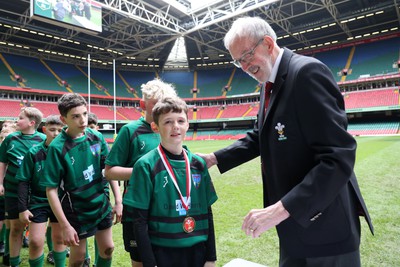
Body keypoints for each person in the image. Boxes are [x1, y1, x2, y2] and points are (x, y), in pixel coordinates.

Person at [200, 16, 374, 267]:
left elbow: (338, 157)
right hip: (295, 225)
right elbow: (261, 135)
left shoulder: (306, 73)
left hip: (325, 228)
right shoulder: (268, 81)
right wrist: (214, 158)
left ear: (268, 44)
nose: (245, 66)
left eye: (247, 56)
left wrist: (279, 209)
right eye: (238, 62)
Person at [124, 96, 217, 267]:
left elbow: (208, 212)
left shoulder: (198, 164)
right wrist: (150, 263)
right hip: (162, 251)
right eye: (168, 122)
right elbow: (139, 221)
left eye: (181, 120)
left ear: (188, 124)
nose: (175, 126)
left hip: (198, 249)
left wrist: (211, 257)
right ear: (155, 127)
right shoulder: (145, 165)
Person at [104, 78, 177, 267]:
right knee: (139, 261)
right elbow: (110, 172)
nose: (160, 109)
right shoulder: (130, 131)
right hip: (137, 210)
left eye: (164, 104)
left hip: (166, 208)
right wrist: (145, 171)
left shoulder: (171, 129)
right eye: (155, 105)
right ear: (143, 104)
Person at [41, 93, 114, 267]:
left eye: (85, 114)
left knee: (108, 248)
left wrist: (118, 200)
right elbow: (51, 190)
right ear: (63, 119)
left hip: (101, 204)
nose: (82, 120)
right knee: (79, 258)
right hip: (76, 210)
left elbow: (109, 170)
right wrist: (65, 225)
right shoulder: (57, 148)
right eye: (75, 116)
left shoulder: (96, 137)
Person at [16, 115, 68, 267]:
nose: (56, 134)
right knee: (36, 241)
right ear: (44, 130)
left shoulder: (66, 151)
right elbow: (23, 181)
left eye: (60, 130)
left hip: (60, 201)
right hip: (38, 201)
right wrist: (23, 208)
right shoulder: (34, 153)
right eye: (52, 130)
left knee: (59, 239)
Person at [0, 107, 46, 267]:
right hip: (12, 190)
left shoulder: (42, 139)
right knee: (15, 228)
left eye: (20, 118)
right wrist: (0, 182)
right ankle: (14, 262)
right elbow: (2, 162)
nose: (16, 120)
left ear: (31, 123)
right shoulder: (10, 139)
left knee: (35, 231)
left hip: (35, 192)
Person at [86, 112, 122, 267]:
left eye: (92, 127)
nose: (89, 130)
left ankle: (96, 261)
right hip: (80, 197)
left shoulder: (102, 145)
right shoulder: (71, 145)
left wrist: (118, 200)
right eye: (87, 127)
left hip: (101, 194)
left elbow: (110, 171)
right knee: (82, 236)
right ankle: (85, 257)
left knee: (103, 237)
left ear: (97, 127)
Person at [0, 124, 17, 259]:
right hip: (3, 191)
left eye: (7, 137)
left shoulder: (15, 151)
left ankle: (9, 250)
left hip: (13, 190)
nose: (4, 139)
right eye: (2, 137)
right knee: (5, 221)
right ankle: (5, 249)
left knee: (12, 224)